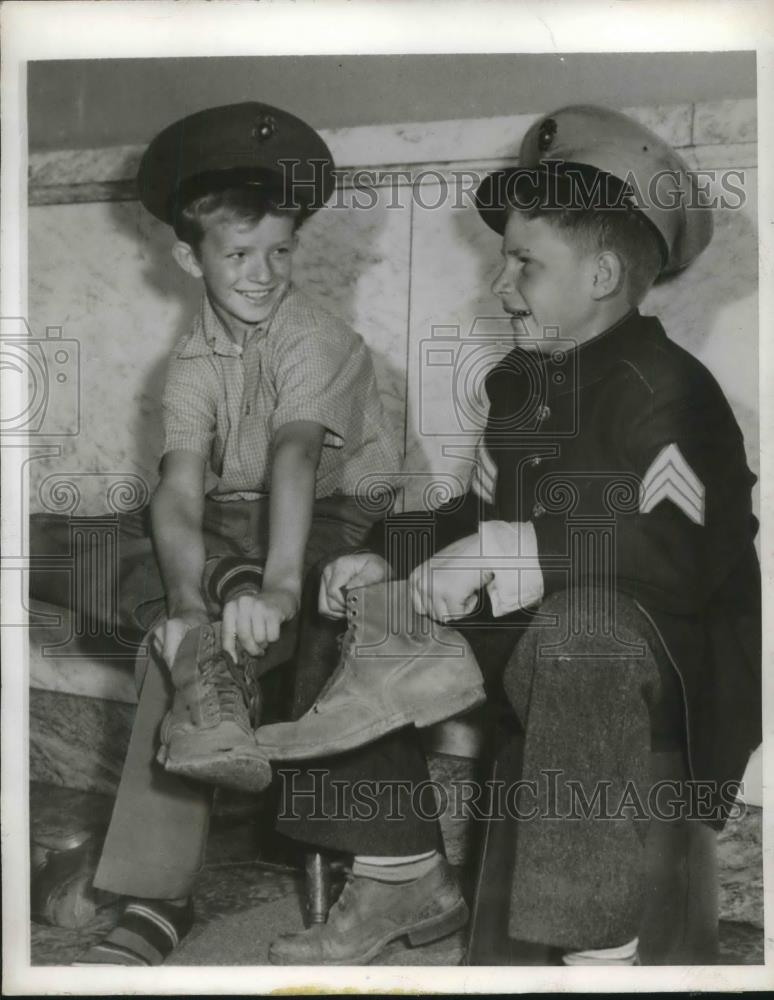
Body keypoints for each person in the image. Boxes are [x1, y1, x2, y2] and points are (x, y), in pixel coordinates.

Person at [251, 105, 761, 966]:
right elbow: (478, 514)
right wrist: (391, 553)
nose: (500, 284)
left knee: (579, 632)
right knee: (354, 591)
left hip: (666, 662)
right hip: (538, 644)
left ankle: (602, 952)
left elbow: (687, 553)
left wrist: (519, 551)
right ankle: (400, 868)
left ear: (602, 274)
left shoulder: (670, 388)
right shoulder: (519, 383)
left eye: (525, 262)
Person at [29, 100, 403, 965]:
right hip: (231, 524)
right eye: (238, 254)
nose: (264, 273)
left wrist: (272, 586)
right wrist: (195, 597)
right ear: (186, 257)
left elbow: (297, 461)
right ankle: (210, 607)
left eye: (281, 250)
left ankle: (157, 900)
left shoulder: (315, 337)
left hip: (332, 523)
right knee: (48, 542)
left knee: (182, 647)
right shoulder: (192, 359)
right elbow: (178, 491)